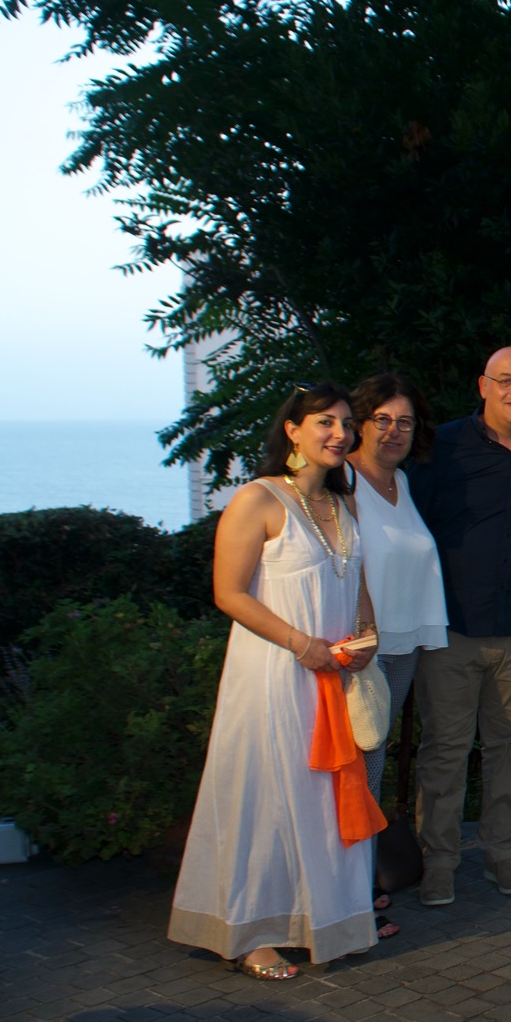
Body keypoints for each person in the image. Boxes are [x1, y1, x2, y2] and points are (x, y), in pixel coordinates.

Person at [168, 383, 381, 979]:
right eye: (325, 422)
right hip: (273, 678)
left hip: (332, 679)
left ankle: (328, 921)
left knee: (320, 802)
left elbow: (357, 579)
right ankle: (252, 933)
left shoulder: (343, 502)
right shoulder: (257, 499)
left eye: (346, 423)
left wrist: (368, 633)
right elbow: (228, 593)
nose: (340, 433)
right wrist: (301, 644)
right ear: (292, 430)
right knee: (265, 799)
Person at [405, 348, 511, 905]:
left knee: (510, 746)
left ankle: (501, 852)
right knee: (445, 749)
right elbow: (407, 524)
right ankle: (439, 859)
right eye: (504, 380)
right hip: (452, 628)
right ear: (483, 385)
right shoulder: (443, 446)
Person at [346, 372, 449, 918]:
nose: (393, 431)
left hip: (402, 646)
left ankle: (356, 884)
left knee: (373, 766)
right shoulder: (342, 480)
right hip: (361, 651)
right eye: (382, 419)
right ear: (359, 424)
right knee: (355, 769)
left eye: (404, 422)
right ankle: (348, 893)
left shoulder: (401, 483)